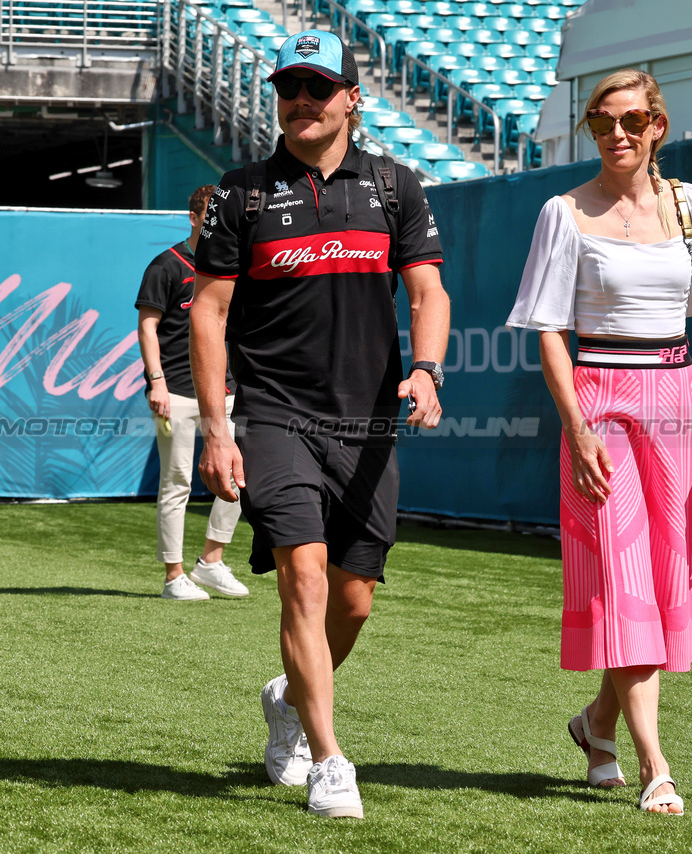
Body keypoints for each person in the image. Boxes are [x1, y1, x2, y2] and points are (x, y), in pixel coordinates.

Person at [190, 30, 449, 819]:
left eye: (319, 87)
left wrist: (427, 369)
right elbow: (208, 310)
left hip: (367, 421)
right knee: (302, 574)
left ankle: (290, 695)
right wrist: (217, 427)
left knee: (356, 597)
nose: (301, 101)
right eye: (289, 88)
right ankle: (330, 759)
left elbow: (428, 294)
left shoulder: (397, 186)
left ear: (351, 98)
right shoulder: (240, 194)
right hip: (274, 413)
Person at [506, 69, 692, 815]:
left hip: (679, 405)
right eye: (600, 122)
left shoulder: (691, 207)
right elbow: (551, 334)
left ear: (658, 126)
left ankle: (596, 725)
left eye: (629, 120)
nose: (614, 134)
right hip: (600, 407)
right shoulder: (563, 213)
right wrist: (577, 427)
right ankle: (656, 763)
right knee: (623, 585)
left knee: (657, 584)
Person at [135, 185, 248, 602]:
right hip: (177, 392)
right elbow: (148, 327)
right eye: (209, 216)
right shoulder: (166, 265)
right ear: (194, 217)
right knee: (177, 482)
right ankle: (173, 577)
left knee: (240, 475)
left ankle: (211, 562)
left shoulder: (234, 265)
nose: (218, 224)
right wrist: (156, 381)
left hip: (228, 393)